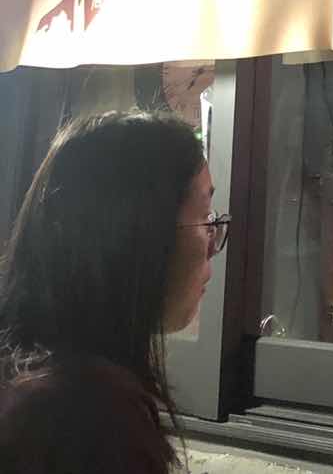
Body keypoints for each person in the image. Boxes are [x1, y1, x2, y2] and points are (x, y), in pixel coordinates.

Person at [0, 109, 228, 472]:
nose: (214, 244)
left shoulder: (34, 383)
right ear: (139, 233)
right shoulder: (88, 417)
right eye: (205, 217)